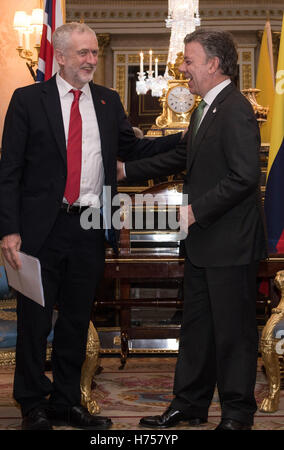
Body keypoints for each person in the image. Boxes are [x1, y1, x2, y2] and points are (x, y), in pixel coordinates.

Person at [0, 22, 184, 431]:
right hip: (38, 230)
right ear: (60, 56)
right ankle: (32, 404)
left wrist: (183, 138)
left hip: (89, 224)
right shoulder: (28, 100)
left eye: (95, 53)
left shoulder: (106, 100)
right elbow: (9, 168)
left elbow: (133, 148)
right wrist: (9, 230)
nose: (91, 60)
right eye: (82, 53)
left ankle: (67, 401)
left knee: (77, 320)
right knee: (35, 321)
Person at [118, 29, 267, 430]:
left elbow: (244, 177)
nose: (183, 69)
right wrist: (126, 170)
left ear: (213, 65)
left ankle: (237, 414)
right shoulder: (205, 109)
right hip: (205, 244)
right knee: (197, 329)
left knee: (233, 333)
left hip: (230, 243)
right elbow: (182, 155)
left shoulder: (235, 109)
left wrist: (195, 212)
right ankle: (190, 404)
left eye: (189, 60)